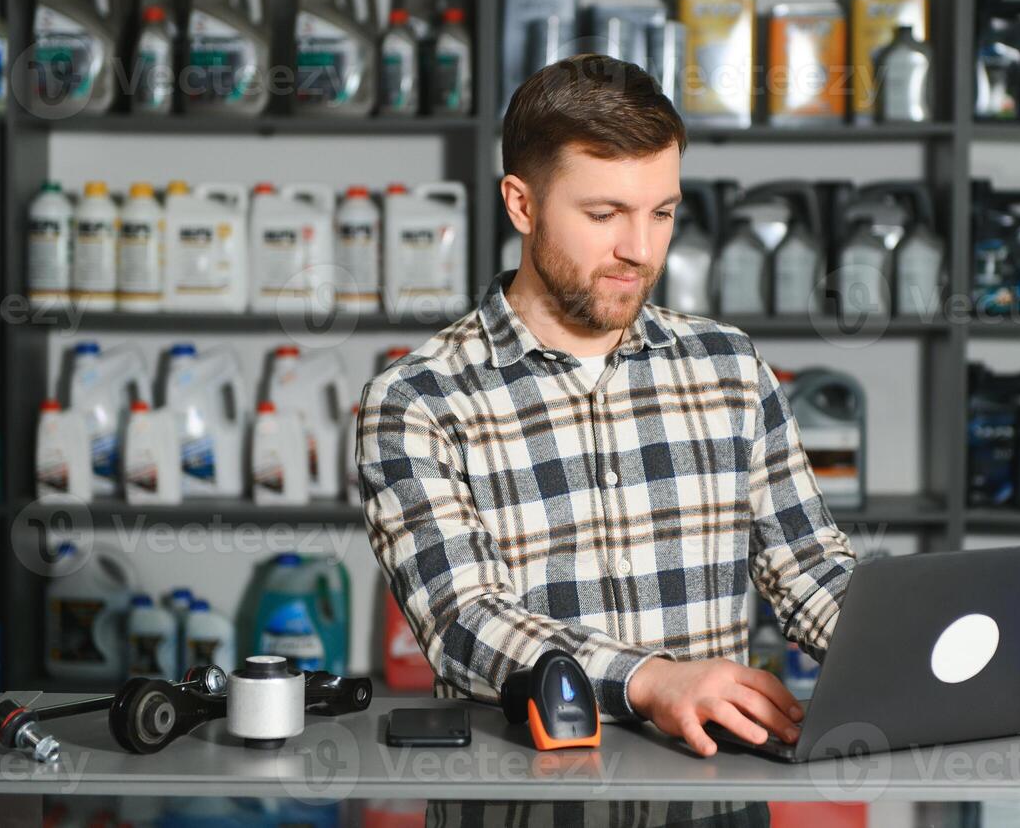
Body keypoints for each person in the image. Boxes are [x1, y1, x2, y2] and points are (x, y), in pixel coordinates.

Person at [358, 53, 857, 762]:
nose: (640, 250)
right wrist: (651, 682)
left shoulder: (729, 367)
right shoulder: (417, 401)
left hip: (708, 804)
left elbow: (807, 564)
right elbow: (465, 623)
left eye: (661, 212)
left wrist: (917, 652)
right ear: (521, 203)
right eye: (604, 214)